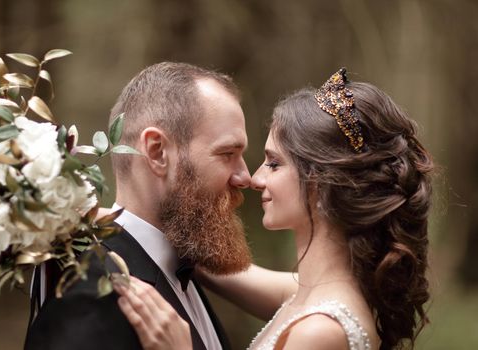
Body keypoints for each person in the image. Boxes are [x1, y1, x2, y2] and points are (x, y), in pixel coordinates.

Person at [114, 68, 433, 350]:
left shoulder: (319, 331)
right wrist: (114, 225)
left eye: (274, 163)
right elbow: (224, 273)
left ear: (322, 182)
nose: (254, 178)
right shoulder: (316, 291)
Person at [24, 62, 253, 350]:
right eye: (227, 153)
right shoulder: (94, 295)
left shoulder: (183, 267)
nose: (246, 177)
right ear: (157, 152)